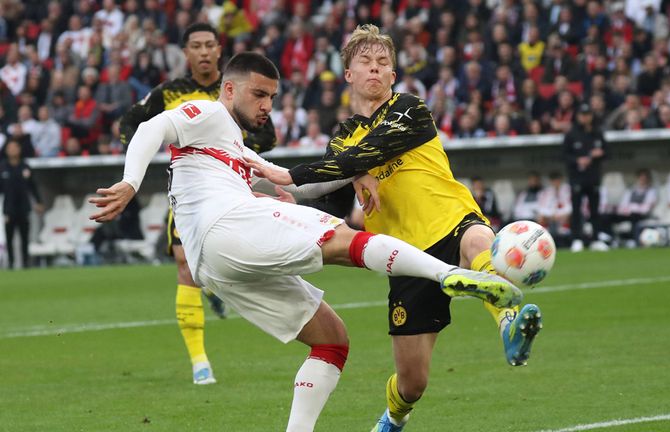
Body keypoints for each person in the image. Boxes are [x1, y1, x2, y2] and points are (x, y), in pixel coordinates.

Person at [90, 51, 521, 432]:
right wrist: (130, 182)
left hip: (215, 264)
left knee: (332, 339)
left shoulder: (234, 146)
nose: (267, 106)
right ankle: (452, 274)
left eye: (273, 98)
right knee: (344, 240)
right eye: (259, 95)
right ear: (228, 88)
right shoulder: (208, 113)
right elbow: (151, 128)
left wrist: (352, 173)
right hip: (227, 224)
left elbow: (300, 185)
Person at [245, 25, 542, 431]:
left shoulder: (409, 108)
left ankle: (509, 322)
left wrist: (285, 173)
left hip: (452, 219)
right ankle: (393, 418)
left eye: (383, 63)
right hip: (405, 257)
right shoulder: (346, 135)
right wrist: (292, 204)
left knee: (480, 240)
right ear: (348, 73)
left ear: (393, 76)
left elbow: (365, 153)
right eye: (365, 62)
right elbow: (330, 192)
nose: (375, 69)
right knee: (413, 381)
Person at [119, 22, 277, 385]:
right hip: (191, 192)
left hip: (235, 188)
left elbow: (268, 134)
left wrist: (236, 151)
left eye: (210, 45)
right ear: (186, 53)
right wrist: (143, 157)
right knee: (184, 266)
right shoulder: (170, 92)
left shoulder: (239, 90)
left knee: (230, 261)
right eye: (196, 46)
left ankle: (213, 285)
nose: (204, 52)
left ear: (220, 51)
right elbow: (131, 123)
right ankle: (200, 362)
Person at [564, 103, 610, 253]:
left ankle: (596, 239)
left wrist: (600, 153)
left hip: (593, 177)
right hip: (577, 178)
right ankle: (576, 239)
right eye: (583, 115)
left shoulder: (597, 133)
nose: (585, 118)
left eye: (588, 114)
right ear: (578, 116)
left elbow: (608, 152)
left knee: (595, 210)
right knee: (576, 210)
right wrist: (578, 160)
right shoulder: (571, 134)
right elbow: (564, 155)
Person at [0, 138, 43, 269]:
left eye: (15, 147)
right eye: (10, 148)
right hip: (9, 208)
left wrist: (39, 201)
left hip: (24, 208)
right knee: (9, 238)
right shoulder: (2, 167)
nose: (12, 150)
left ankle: (25, 264)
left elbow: (33, 186)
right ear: (6, 150)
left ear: (19, 149)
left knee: (25, 238)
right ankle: (12, 264)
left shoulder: (25, 166)